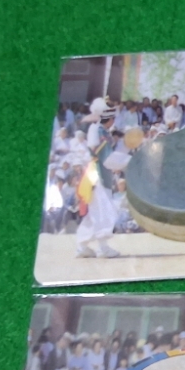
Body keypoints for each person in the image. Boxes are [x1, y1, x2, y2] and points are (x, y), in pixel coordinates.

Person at [75, 97, 121, 259]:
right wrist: (127, 162)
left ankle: (82, 246)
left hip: (97, 174)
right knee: (103, 211)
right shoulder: (99, 131)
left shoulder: (100, 130)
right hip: (98, 175)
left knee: (95, 213)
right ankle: (103, 248)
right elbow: (107, 157)